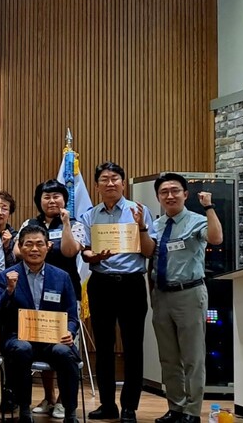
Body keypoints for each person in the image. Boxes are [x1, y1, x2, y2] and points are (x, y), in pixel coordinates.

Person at [79, 162, 156, 423]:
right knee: (103, 346)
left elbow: (148, 252)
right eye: (104, 179)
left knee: (133, 346)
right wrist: (93, 255)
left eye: (115, 179)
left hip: (132, 284)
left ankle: (130, 407)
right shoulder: (90, 215)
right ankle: (107, 404)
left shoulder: (140, 211)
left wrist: (141, 227)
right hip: (101, 284)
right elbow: (85, 251)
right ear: (97, 185)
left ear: (123, 183)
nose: (110, 183)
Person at [150, 173, 223, 423]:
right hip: (161, 295)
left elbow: (216, 238)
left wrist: (209, 207)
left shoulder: (197, 220)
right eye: (164, 192)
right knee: (168, 358)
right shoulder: (156, 224)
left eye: (174, 191)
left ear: (185, 194)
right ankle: (176, 407)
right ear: (158, 197)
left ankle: (192, 411)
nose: (169, 196)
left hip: (189, 293)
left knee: (193, 357)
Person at [0, 225, 81, 423]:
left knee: (65, 352)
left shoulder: (62, 277)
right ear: (20, 247)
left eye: (39, 244)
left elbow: (72, 316)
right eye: (29, 244)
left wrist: (70, 331)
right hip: (19, 338)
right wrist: (9, 291)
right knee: (22, 349)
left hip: (52, 338)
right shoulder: (7, 276)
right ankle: (24, 410)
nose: (34, 249)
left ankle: (70, 413)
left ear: (48, 246)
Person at [18, 180, 87, 419]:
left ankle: (63, 402)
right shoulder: (30, 223)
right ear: (40, 200)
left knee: (63, 344)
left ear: (64, 199)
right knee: (42, 340)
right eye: (46, 197)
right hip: (35, 291)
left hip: (65, 292)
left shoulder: (75, 223)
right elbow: (18, 252)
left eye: (56, 196)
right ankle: (48, 396)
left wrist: (65, 223)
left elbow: (69, 251)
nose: (51, 201)